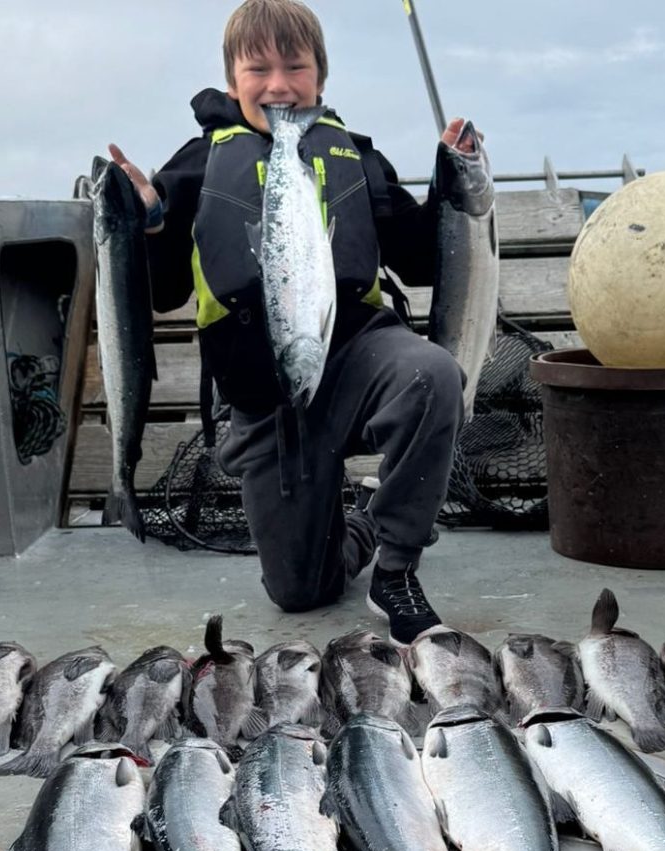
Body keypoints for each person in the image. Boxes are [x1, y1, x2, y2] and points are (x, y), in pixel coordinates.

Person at [110, 0, 479, 647]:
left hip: (358, 358)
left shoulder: (355, 157)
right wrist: (149, 221)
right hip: (262, 399)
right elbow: (163, 289)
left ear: (320, 79)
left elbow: (421, 261)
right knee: (300, 595)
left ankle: (395, 568)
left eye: (295, 66)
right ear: (232, 82)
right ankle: (361, 521)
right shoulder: (197, 164)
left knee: (431, 374)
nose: (278, 84)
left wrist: (455, 180)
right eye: (258, 69)